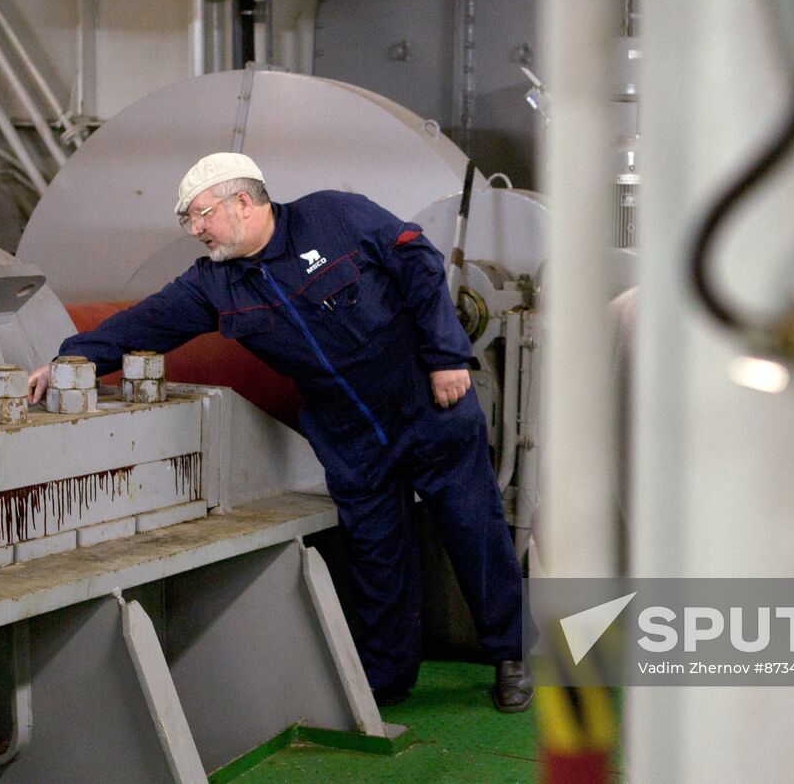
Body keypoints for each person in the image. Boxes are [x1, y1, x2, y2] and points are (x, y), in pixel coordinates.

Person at [26, 151, 531, 712]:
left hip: (426, 404)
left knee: (472, 531)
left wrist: (446, 356)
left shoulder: (334, 217)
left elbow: (419, 263)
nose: (196, 230)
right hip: (347, 433)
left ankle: (510, 656)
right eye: (187, 221)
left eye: (201, 215)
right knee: (376, 555)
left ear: (243, 201)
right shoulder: (214, 284)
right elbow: (145, 322)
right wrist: (69, 360)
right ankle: (388, 677)